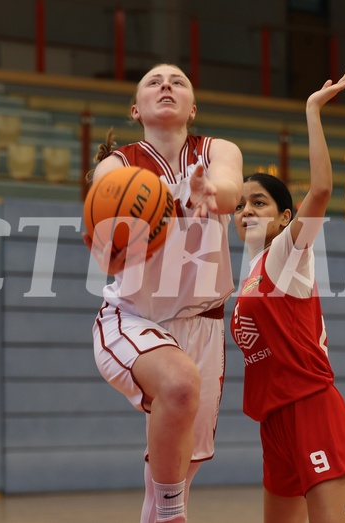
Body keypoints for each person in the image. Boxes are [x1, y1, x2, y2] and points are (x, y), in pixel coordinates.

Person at [83, 63, 243, 522]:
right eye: (154, 81)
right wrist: (129, 234)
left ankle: (166, 514)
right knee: (176, 384)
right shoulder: (117, 165)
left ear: (194, 109)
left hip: (205, 326)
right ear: (136, 110)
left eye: (178, 81)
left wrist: (211, 190)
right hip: (134, 318)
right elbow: (103, 247)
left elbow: (231, 189)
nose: (167, 85)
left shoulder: (217, 151)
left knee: (173, 479)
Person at [230, 65, 345, 523]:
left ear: (285, 218)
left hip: (310, 408)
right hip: (274, 422)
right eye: (240, 204)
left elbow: (324, 188)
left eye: (259, 202)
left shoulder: (286, 254)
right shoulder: (248, 274)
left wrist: (312, 109)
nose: (246, 209)